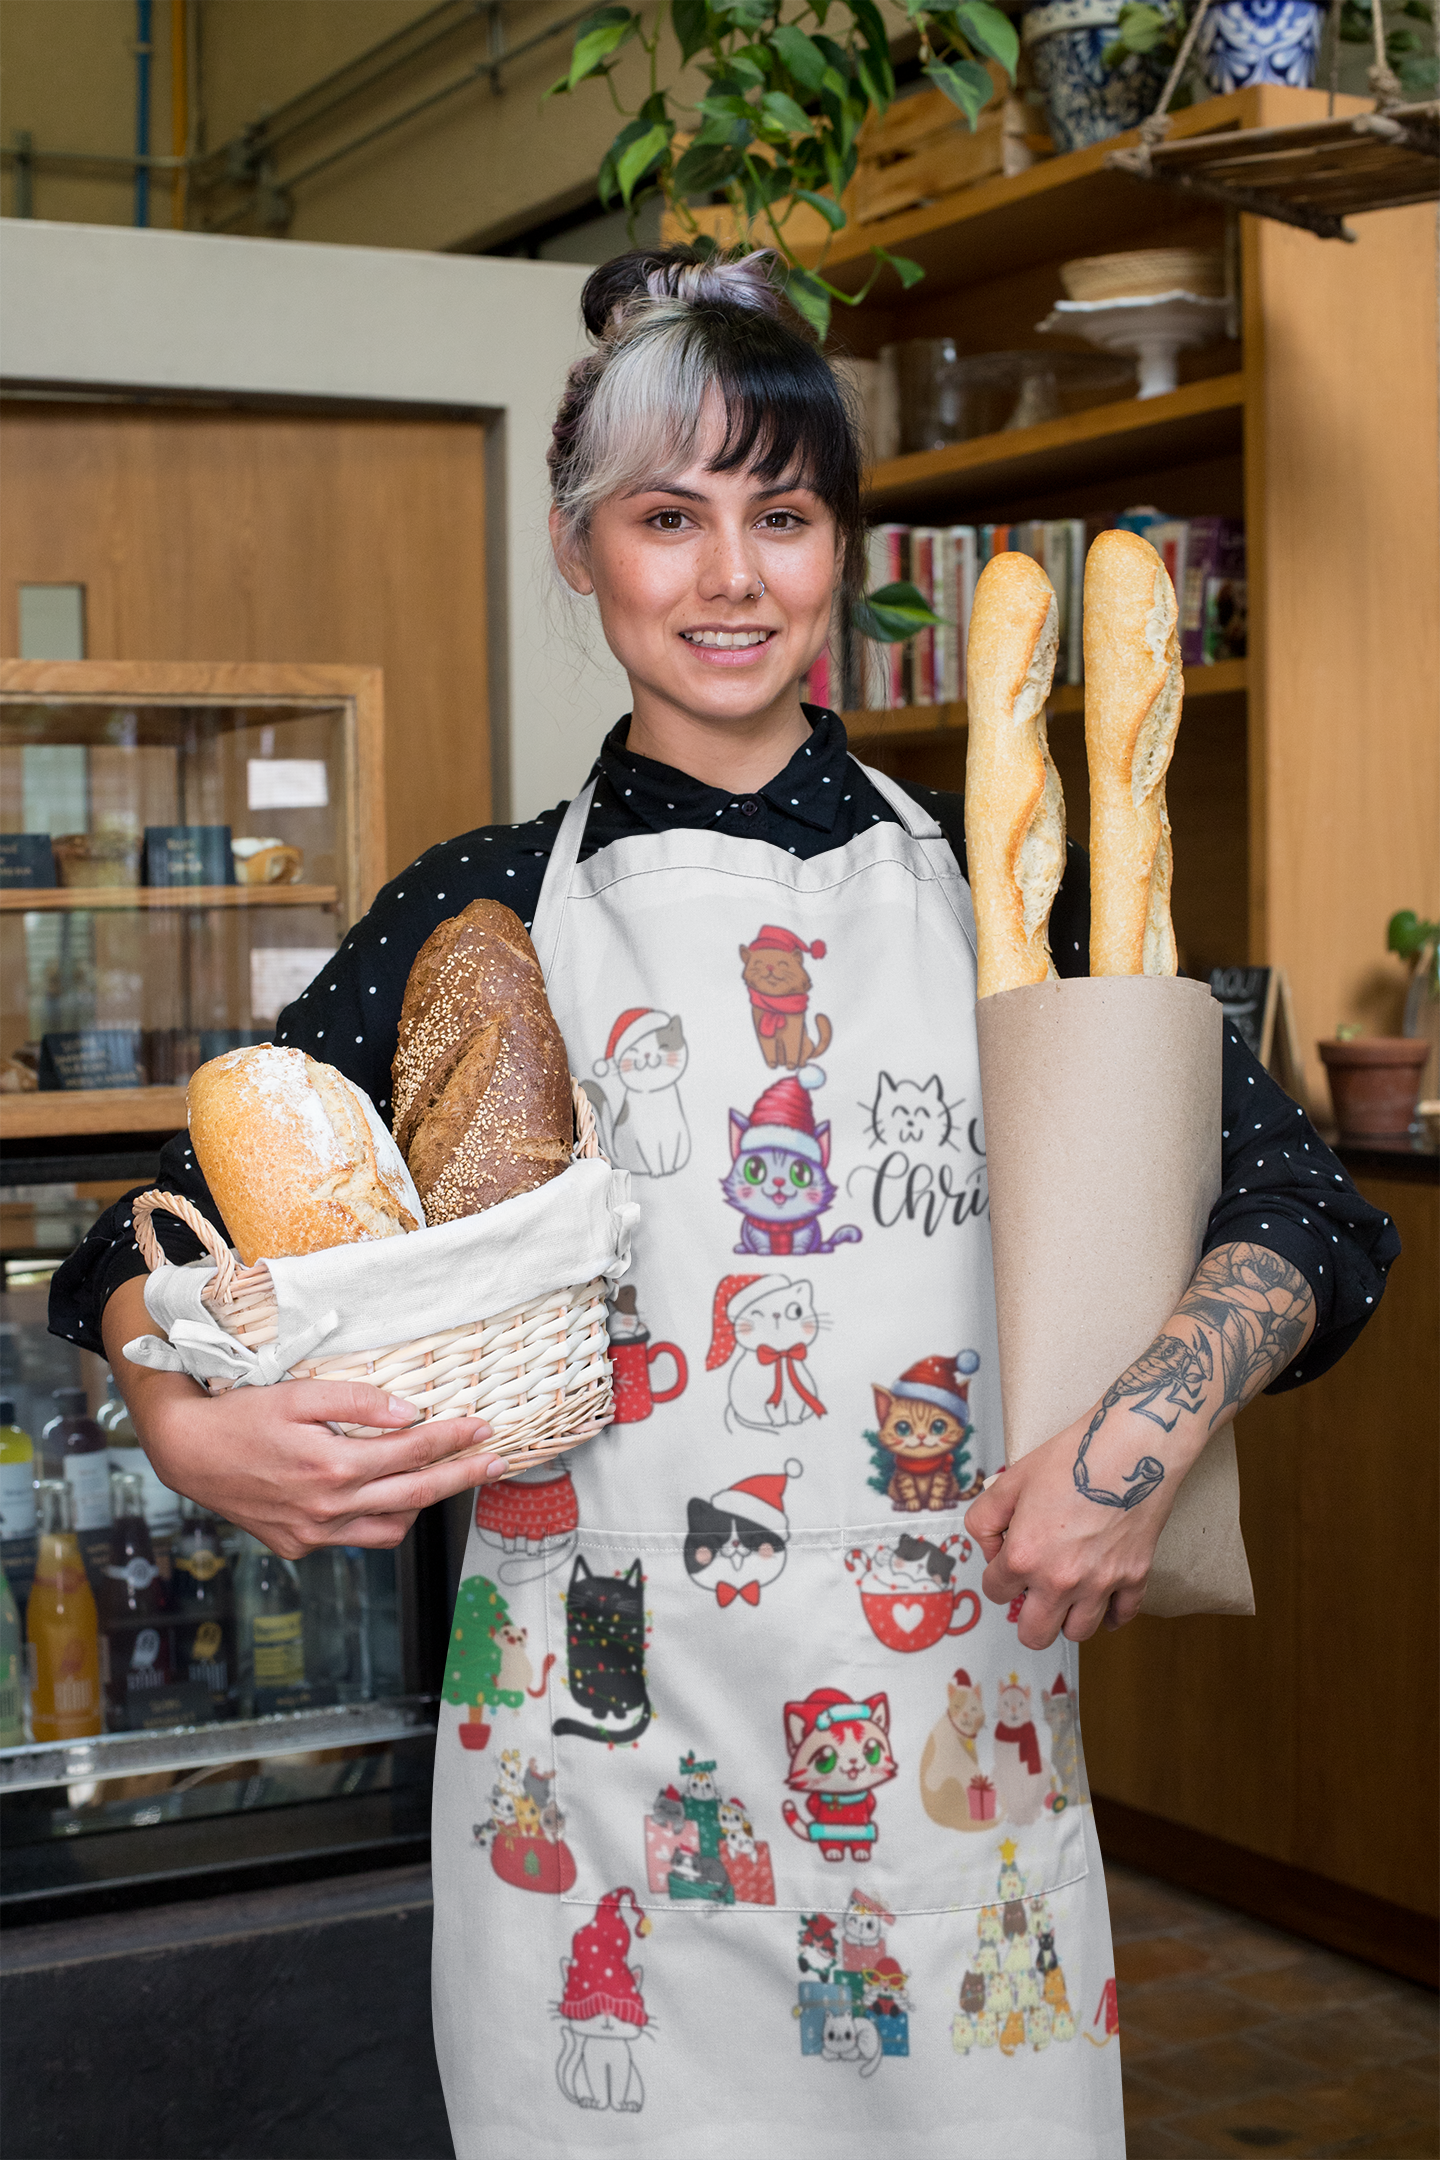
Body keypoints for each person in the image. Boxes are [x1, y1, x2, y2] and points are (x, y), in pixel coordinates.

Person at [53, 248, 1398, 2159]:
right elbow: (154, 1224)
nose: (731, 576)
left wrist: (1140, 1438)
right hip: (589, 1804)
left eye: (783, 515)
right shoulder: (482, 918)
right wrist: (193, 1431)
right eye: (666, 519)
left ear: (842, 548)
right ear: (579, 547)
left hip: (946, 1774)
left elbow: (1309, 1216)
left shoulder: (1022, 915)